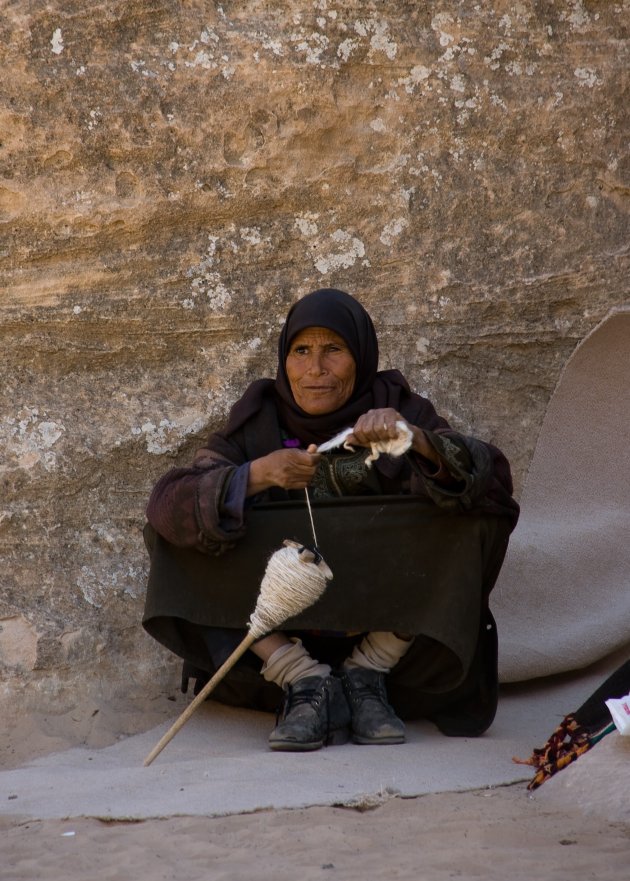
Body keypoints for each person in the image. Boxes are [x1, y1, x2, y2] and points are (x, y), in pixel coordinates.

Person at [143, 288, 519, 751]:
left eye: (333, 351)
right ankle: (303, 680)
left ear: (360, 357)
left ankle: (367, 673)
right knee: (179, 530)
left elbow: (491, 482)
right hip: (281, 635)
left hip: (389, 636)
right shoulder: (257, 423)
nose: (315, 369)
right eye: (301, 351)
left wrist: (417, 440)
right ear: (284, 360)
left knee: (471, 516)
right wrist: (256, 475)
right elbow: (169, 505)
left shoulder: (400, 408)